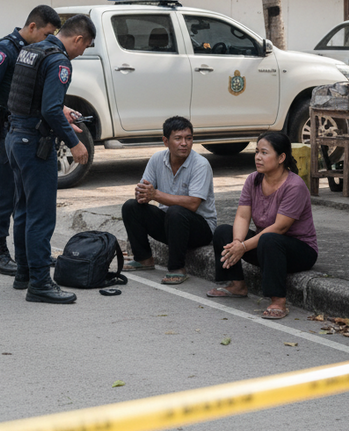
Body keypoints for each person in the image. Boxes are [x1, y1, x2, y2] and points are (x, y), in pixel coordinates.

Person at [6, 14, 95, 303]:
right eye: (85, 47)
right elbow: (49, 110)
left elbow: (32, 96)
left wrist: (62, 107)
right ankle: (41, 283)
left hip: (15, 137)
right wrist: (75, 144)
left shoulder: (31, 50)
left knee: (23, 210)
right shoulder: (59, 60)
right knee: (41, 216)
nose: (81, 53)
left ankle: (24, 274)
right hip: (35, 144)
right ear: (78, 39)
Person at [0, 5, 61, 276]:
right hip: (3, 130)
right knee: (5, 191)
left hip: (22, 130)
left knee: (25, 196)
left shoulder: (34, 52)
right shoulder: (6, 49)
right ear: (33, 27)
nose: (50, 40)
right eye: (47, 33)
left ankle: (31, 253)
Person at [207, 131, 317, 319]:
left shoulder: (294, 186)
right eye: (257, 151)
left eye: (264, 153)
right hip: (266, 245)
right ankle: (237, 285)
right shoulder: (253, 179)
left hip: (299, 250)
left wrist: (243, 247)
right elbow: (242, 216)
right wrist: (237, 243)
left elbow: (280, 228)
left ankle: (278, 301)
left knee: (270, 238)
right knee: (223, 232)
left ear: (281, 157)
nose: (258, 157)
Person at [121, 116, 216, 285]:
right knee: (131, 206)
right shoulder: (157, 159)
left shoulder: (201, 164)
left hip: (200, 229)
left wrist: (155, 195)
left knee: (176, 211)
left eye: (189, 138)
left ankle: (177, 268)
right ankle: (144, 259)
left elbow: (193, 204)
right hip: (171, 224)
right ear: (166, 141)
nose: (184, 143)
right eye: (178, 138)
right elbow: (145, 190)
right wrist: (142, 195)